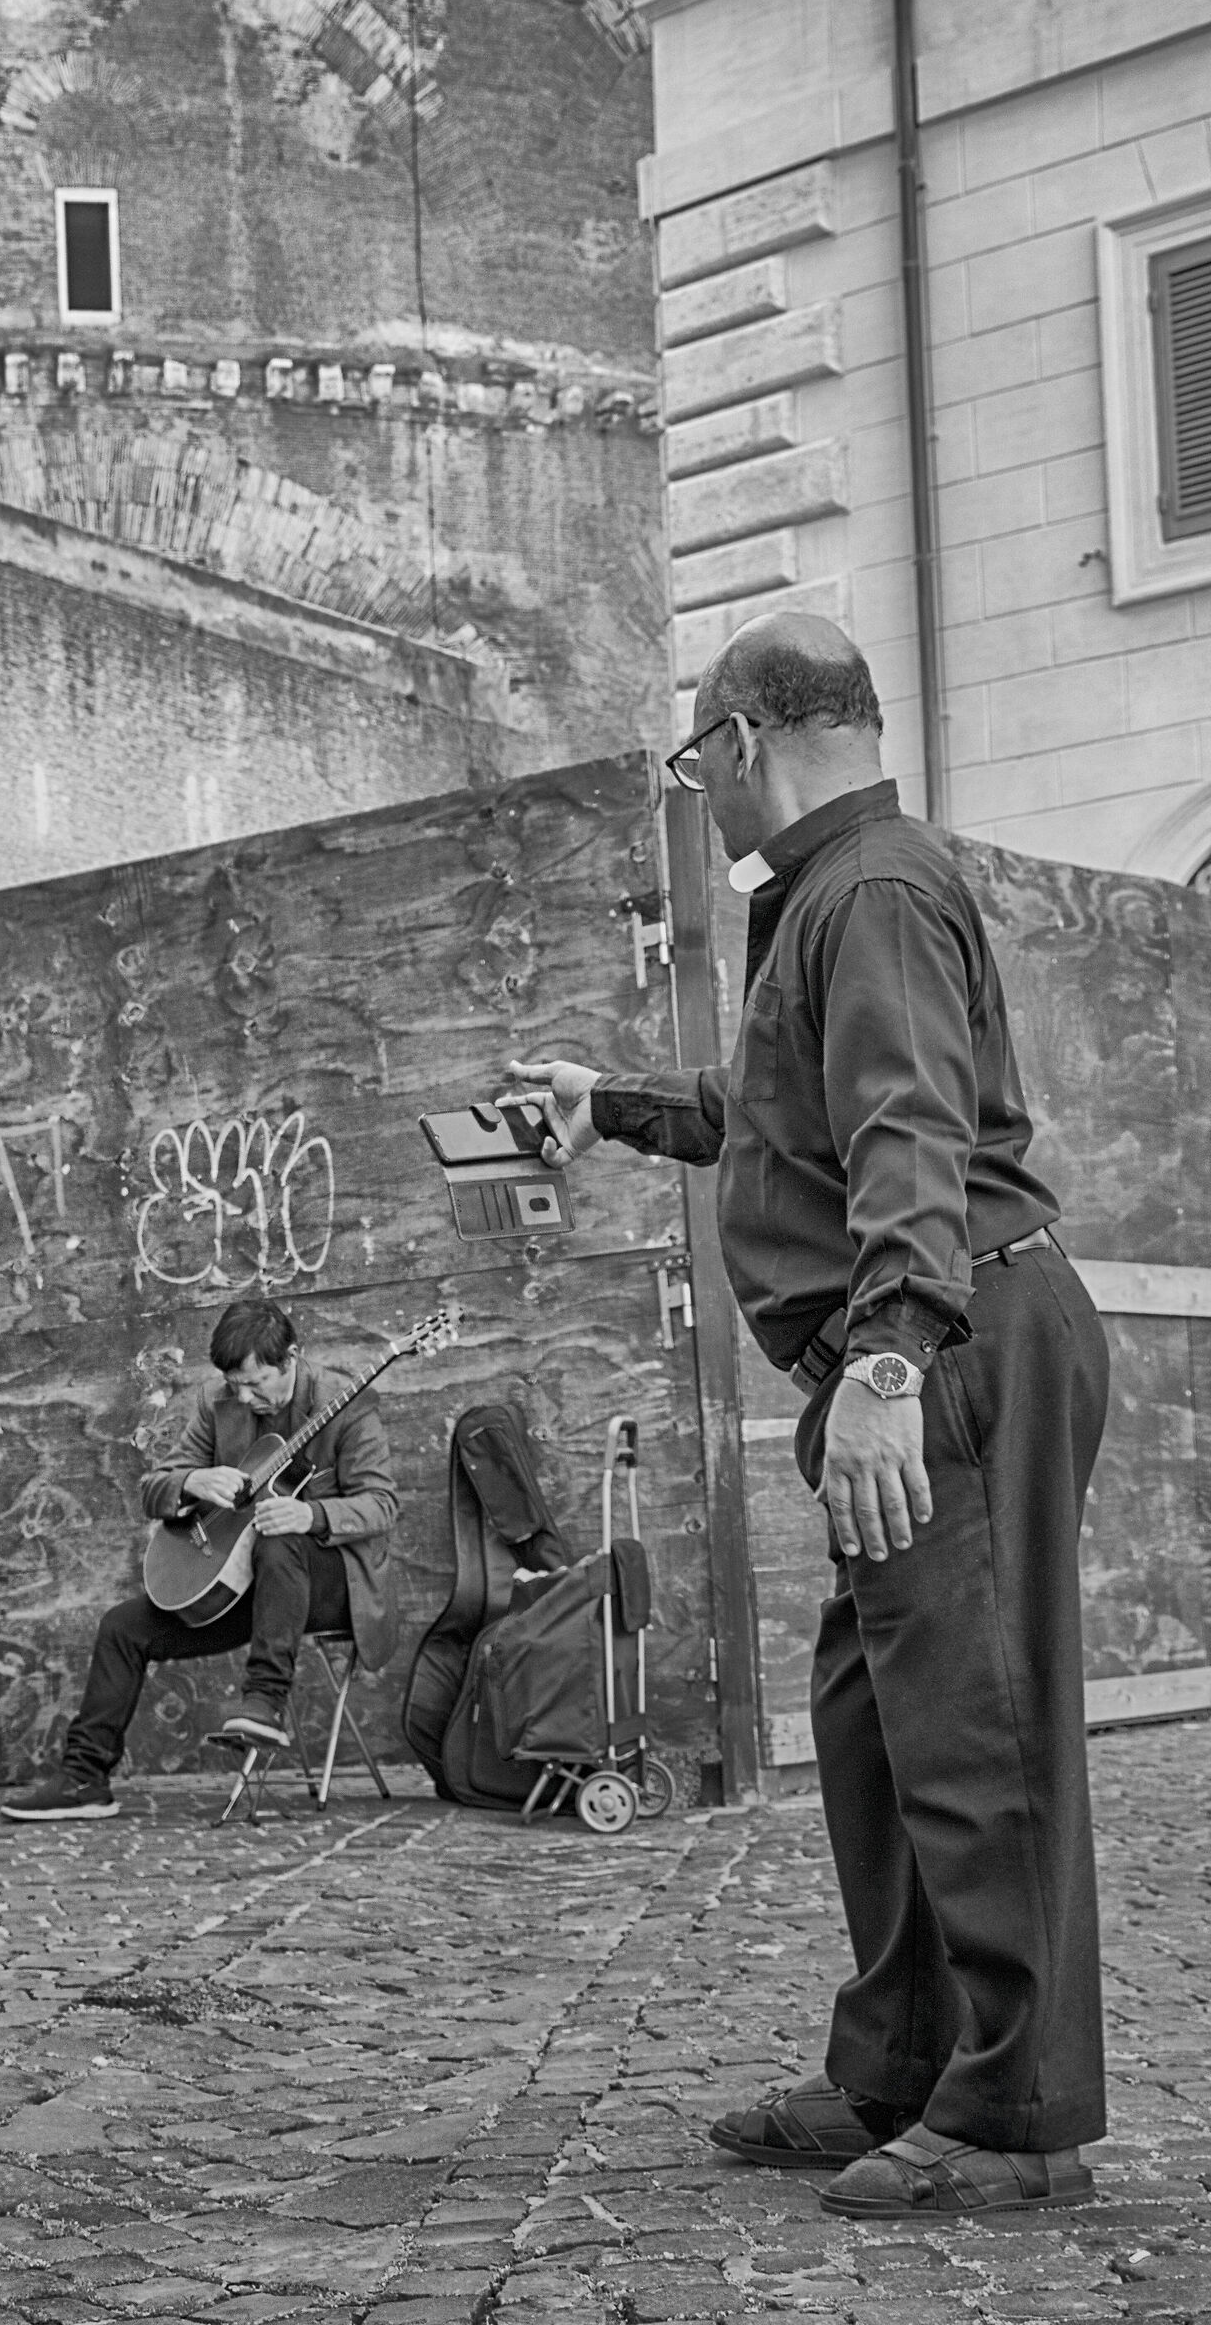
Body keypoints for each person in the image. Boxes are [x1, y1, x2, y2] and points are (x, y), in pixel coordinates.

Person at [512, 613, 1109, 2223]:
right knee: (878, 1722)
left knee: (976, 1725)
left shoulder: (876, 893)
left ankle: (1016, 2117)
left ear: (750, 740)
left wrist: (893, 1362)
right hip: (929, 1329)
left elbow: (908, 1128)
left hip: (950, 1338)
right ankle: (903, 2065)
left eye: (696, 766)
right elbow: (790, 1117)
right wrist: (615, 1104)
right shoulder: (838, 900)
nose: (700, 800)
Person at [3, 1294, 398, 1821]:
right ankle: (83, 1778)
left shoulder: (347, 1402)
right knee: (122, 1628)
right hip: (242, 1583)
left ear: (292, 1358)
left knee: (280, 1531)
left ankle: (263, 1701)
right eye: (236, 1384)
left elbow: (382, 1504)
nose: (245, 1396)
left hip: (328, 1582)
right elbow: (154, 1488)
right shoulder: (218, 1402)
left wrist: (314, 1516)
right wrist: (192, 1481)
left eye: (257, 1384)